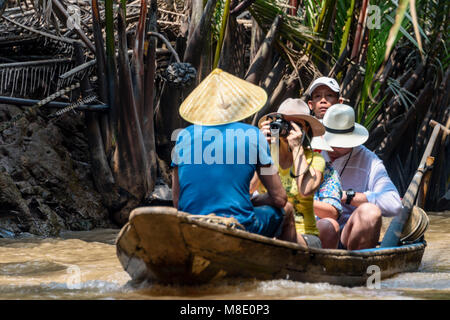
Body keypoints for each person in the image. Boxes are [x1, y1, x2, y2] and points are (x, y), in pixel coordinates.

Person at [171, 68, 291, 239]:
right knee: (287, 210)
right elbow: (279, 198)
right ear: (237, 106)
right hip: (239, 225)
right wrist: (252, 201)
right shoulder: (253, 135)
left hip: (191, 223)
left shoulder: (182, 136)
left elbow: (177, 201)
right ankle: (290, 264)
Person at [320, 104, 402, 250]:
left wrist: (348, 196)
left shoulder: (369, 160)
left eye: (338, 144)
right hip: (314, 230)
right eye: (329, 142)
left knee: (370, 212)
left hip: (349, 235)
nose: (331, 148)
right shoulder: (311, 151)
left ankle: (354, 267)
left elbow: (394, 203)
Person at [255, 98, 327, 248]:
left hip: (304, 235)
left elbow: (305, 190)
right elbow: (247, 189)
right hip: (267, 230)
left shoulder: (315, 159)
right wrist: (261, 147)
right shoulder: (267, 155)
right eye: (285, 123)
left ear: (306, 129)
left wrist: (297, 148)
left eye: (296, 125)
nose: (288, 130)